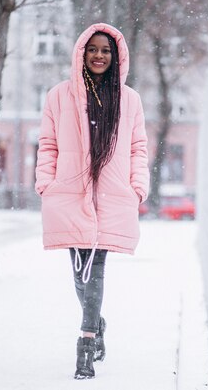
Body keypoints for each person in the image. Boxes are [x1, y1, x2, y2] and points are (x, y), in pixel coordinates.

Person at [35, 23, 149, 380]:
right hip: (69, 194)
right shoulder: (59, 95)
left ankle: (85, 344)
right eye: (93, 49)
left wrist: (137, 187)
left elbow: (138, 148)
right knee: (79, 272)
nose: (99, 55)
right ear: (81, 52)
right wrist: (46, 184)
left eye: (106, 50)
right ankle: (96, 321)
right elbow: (48, 143)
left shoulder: (129, 99)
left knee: (95, 269)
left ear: (116, 57)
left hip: (112, 197)